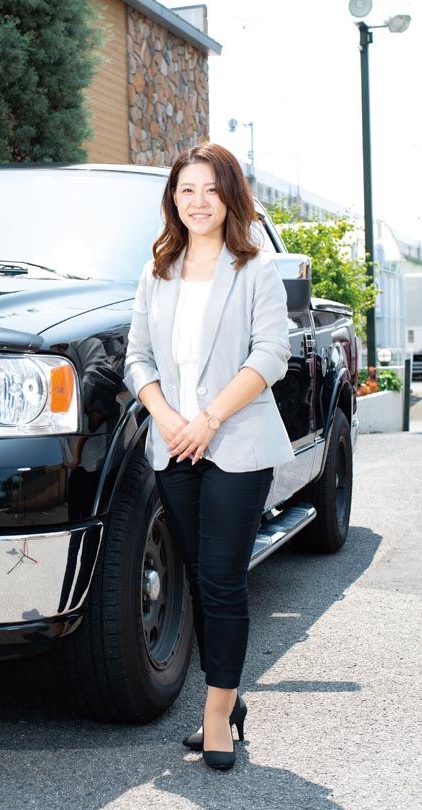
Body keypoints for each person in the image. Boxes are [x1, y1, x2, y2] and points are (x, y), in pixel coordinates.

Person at [123, 143, 293, 771]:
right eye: (186, 190)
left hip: (236, 443)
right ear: (174, 198)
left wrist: (209, 418)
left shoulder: (254, 269)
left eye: (210, 190)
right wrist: (168, 418)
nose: (197, 202)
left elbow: (270, 355)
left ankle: (216, 715)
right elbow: (137, 356)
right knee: (197, 577)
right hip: (174, 445)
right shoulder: (156, 270)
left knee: (222, 579)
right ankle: (230, 694)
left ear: (230, 197)